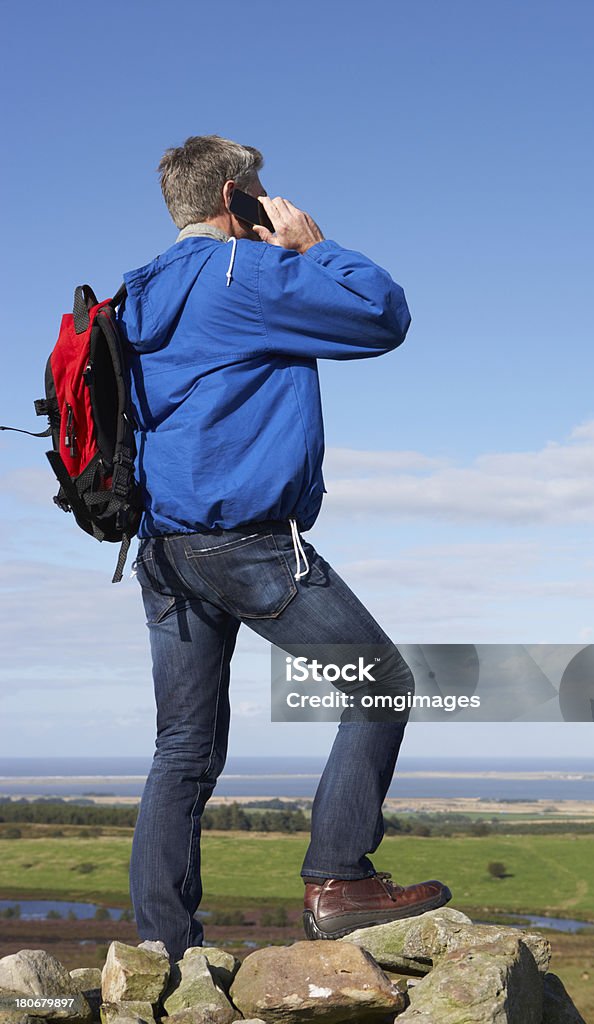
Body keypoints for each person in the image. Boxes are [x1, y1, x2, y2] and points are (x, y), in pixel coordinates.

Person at [120, 134, 451, 961]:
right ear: (236, 196)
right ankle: (339, 878)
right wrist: (314, 244)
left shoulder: (132, 296)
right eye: (261, 192)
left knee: (183, 749)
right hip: (245, 541)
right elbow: (382, 318)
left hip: (162, 548)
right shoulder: (245, 276)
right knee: (379, 684)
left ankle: (163, 948)